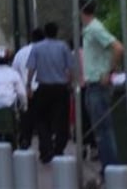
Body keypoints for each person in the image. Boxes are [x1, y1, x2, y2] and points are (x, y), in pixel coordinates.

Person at [81, 0, 124, 170]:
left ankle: (111, 169)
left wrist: (109, 72)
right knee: (101, 131)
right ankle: (108, 168)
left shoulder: (94, 29)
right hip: (93, 85)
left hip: (98, 85)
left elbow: (118, 47)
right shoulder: (90, 29)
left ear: (80, 10)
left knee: (103, 131)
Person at [27, 22, 76, 164]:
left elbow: (31, 68)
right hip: (61, 89)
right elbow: (71, 68)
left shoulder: (37, 47)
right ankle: (59, 148)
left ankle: (45, 148)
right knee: (62, 119)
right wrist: (71, 83)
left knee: (42, 120)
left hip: (43, 88)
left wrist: (28, 85)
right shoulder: (63, 47)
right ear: (57, 32)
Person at [13, 27, 44, 149]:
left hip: (26, 90)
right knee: (43, 120)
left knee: (26, 118)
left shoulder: (20, 53)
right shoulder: (45, 51)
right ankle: (45, 146)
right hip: (42, 89)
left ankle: (25, 141)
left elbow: (14, 72)